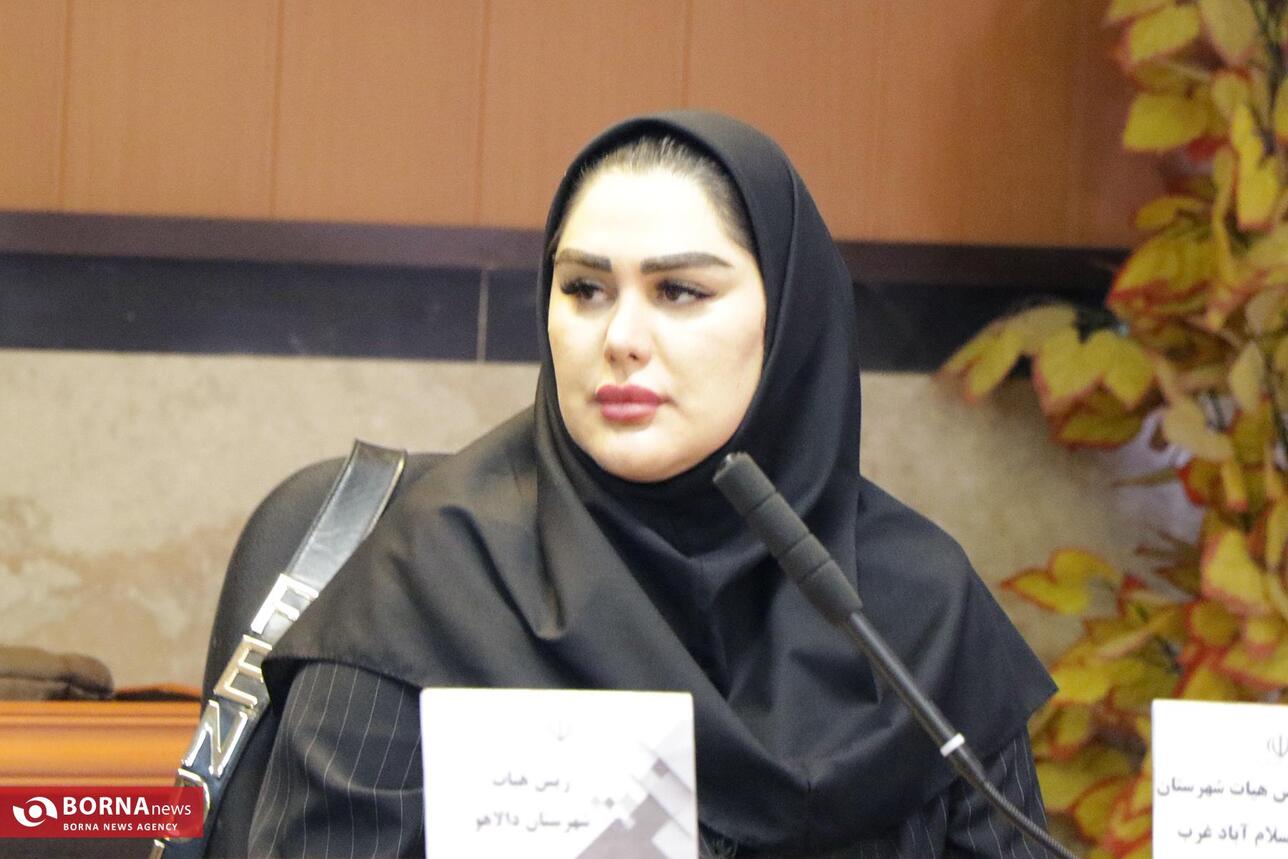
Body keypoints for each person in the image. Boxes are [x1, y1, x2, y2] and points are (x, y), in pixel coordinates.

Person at [245, 111, 1056, 858]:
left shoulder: (914, 610)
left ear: (788, 321)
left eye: (679, 291)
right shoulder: (430, 582)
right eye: (584, 289)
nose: (621, 337)